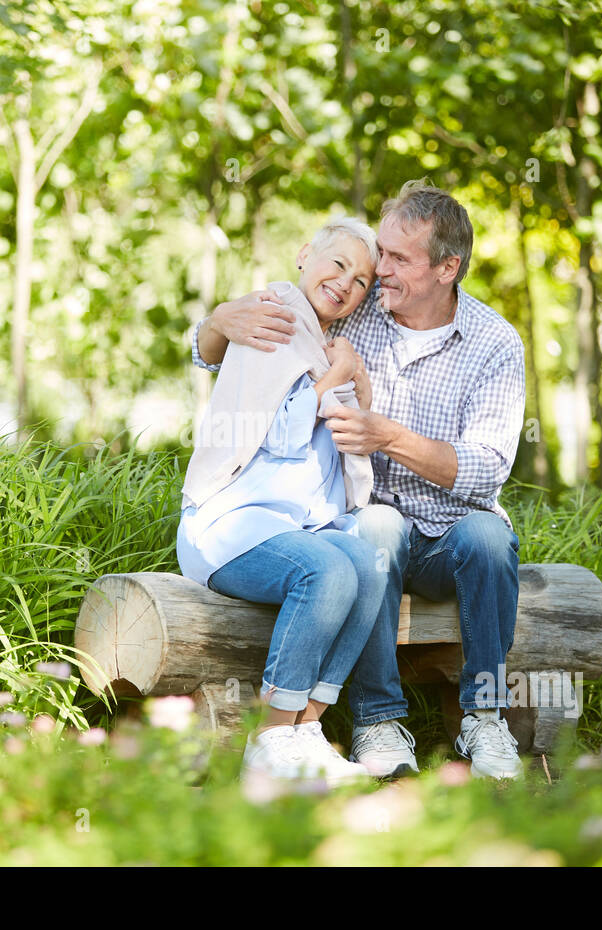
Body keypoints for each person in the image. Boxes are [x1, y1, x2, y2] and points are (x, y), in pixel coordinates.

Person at [192, 180, 527, 780]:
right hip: (367, 519)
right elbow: (244, 354)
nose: (378, 271)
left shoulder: (495, 343)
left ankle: (484, 718)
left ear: (448, 268)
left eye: (397, 260)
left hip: (449, 531)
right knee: (372, 530)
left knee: (489, 539)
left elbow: (486, 470)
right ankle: (376, 720)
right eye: (380, 256)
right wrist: (214, 320)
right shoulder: (357, 306)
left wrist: (387, 435)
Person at [178, 216, 383, 787]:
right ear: (303, 254)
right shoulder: (275, 317)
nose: (345, 282)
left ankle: (305, 731)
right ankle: (267, 741)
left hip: (285, 530)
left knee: (368, 564)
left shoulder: (323, 345)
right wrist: (334, 378)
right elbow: (282, 435)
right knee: (327, 572)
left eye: (362, 280)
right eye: (337, 263)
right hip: (228, 525)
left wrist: (347, 382)